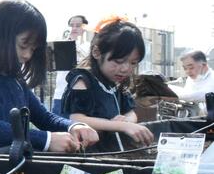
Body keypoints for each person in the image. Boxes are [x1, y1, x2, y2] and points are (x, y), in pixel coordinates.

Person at [0, 0, 99, 153]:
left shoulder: (17, 81)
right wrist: (46, 139)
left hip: (15, 162)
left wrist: (73, 126)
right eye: (23, 45)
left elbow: (44, 118)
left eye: (33, 49)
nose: (28, 55)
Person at [58, 17, 153, 152]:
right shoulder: (83, 81)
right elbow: (77, 119)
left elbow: (131, 113)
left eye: (133, 63)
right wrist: (119, 126)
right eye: (119, 61)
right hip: (91, 154)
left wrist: (126, 121)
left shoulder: (117, 82)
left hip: (114, 151)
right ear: (97, 53)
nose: (125, 69)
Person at [51, 15, 89, 112]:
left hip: (81, 94)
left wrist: (75, 44)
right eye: (72, 25)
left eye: (78, 25)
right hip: (60, 94)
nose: (74, 28)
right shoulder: (61, 44)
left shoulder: (89, 47)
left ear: (85, 28)